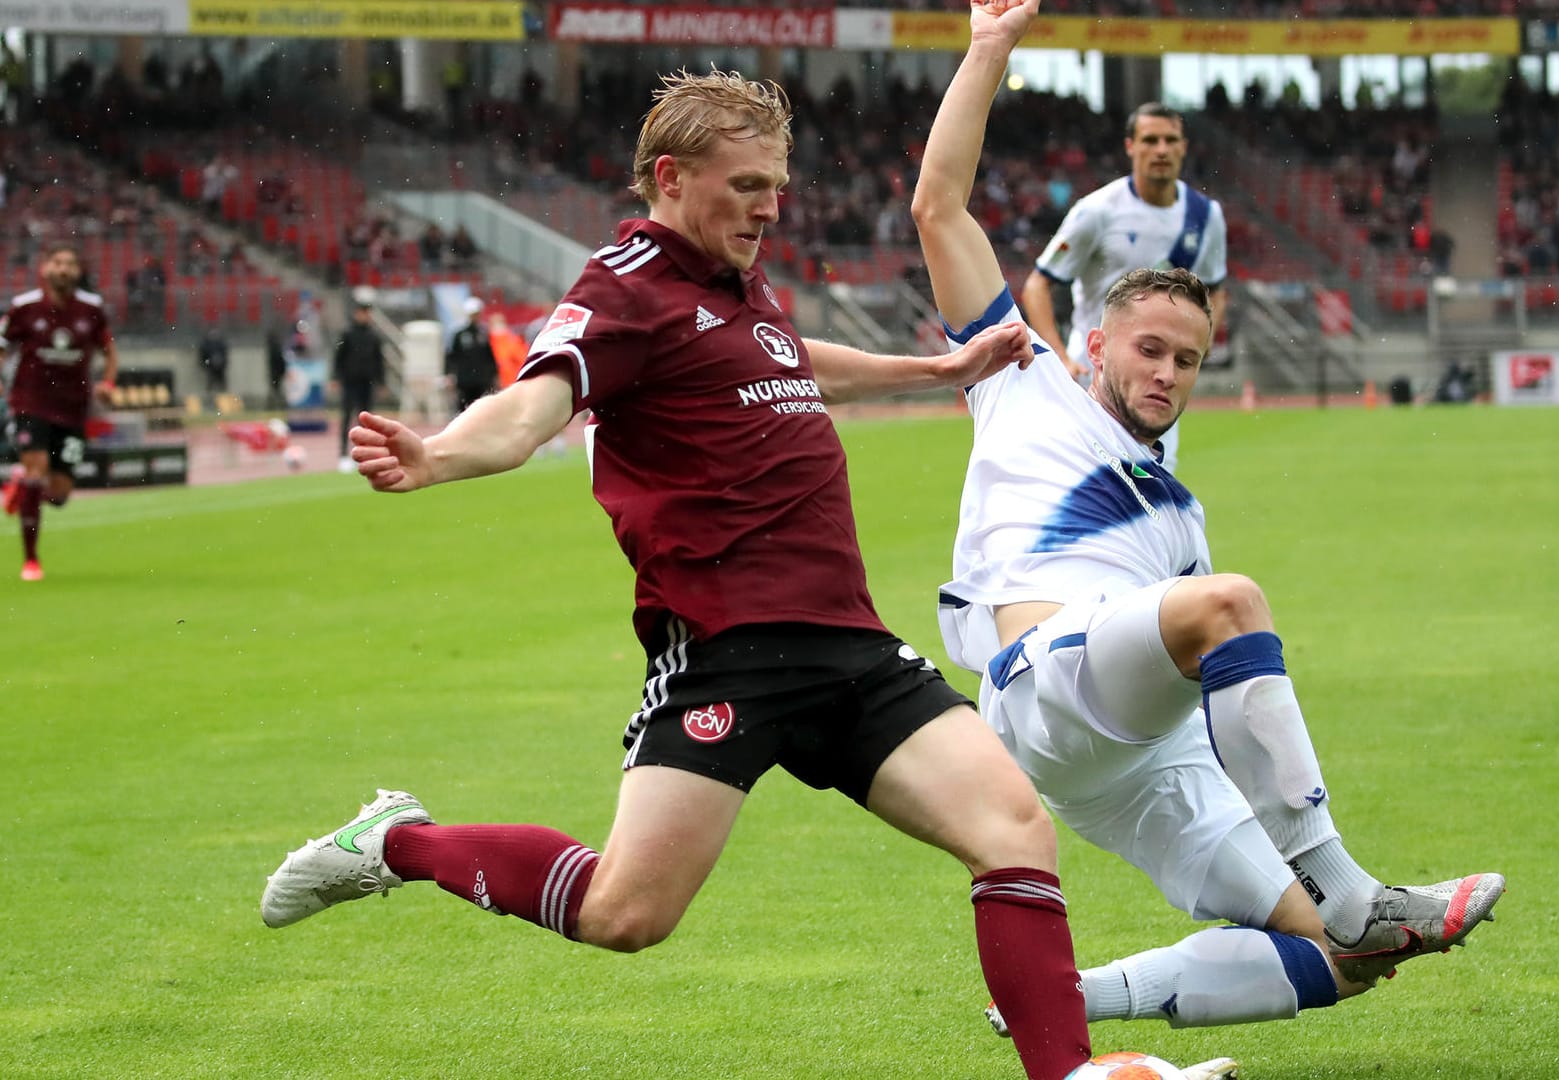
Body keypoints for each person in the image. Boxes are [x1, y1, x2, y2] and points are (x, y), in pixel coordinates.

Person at [261, 68, 1095, 1080]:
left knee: (1012, 828)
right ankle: (398, 843)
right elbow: (532, 407)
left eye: (776, 184)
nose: (769, 206)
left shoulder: (738, 283)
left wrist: (936, 373)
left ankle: (1073, 1077)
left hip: (848, 644)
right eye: (746, 185)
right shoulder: (622, 292)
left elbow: (792, 355)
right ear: (670, 176)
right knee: (625, 913)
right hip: (727, 652)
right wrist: (437, 454)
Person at [911, 0, 1503, 1036]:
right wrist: (989, 48)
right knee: (1227, 606)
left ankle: (1071, 997)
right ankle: (1357, 885)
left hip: (1140, 757)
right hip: (1043, 684)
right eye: (1147, 350)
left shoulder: (1180, 512)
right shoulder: (1023, 381)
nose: (1167, 373)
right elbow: (938, 208)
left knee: (1337, 956)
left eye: (1186, 360)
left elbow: (1215, 698)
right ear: (1096, 345)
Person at [1019, 98, 1227, 474]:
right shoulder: (1096, 212)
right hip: (1094, 373)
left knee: (1152, 487)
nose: (1161, 150)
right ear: (1130, 146)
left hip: (1159, 379)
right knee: (1087, 483)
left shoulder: (1205, 217)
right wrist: (1058, 359)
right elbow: (1038, 285)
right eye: (1150, 140)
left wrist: (1194, 351)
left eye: (1169, 140)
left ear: (1183, 147)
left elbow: (1216, 289)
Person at [0, 244, 118, 580]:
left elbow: (109, 351)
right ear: (45, 268)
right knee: (38, 472)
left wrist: (107, 385)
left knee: (59, 494)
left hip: (73, 407)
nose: (63, 268)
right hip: (31, 402)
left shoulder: (91, 309)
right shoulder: (24, 308)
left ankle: (22, 485)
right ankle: (31, 561)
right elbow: (2, 344)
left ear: (78, 271)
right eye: (58, 262)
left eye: (70, 263)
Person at [328, 289, 388, 473]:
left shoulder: (373, 336)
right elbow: (338, 357)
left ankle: (364, 454)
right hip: (350, 381)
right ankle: (343, 455)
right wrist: (335, 378)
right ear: (357, 313)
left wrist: (381, 381)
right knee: (347, 417)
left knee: (366, 420)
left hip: (367, 382)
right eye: (363, 312)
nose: (366, 315)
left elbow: (379, 360)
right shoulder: (348, 334)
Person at [443, 296, 497, 413]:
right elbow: (450, 355)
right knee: (463, 408)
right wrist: (448, 374)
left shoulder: (483, 332)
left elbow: (490, 356)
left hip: (481, 379)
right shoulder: (458, 333)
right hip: (464, 379)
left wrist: (494, 374)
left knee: (481, 409)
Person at [197, 324, 229, 395]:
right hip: (210, 366)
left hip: (220, 366)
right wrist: (207, 362)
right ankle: (210, 393)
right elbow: (203, 355)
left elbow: (225, 354)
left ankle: (222, 393)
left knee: (221, 380)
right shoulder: (206, 344)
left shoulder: (220, 343)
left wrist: (220, 361)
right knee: (211, 379)